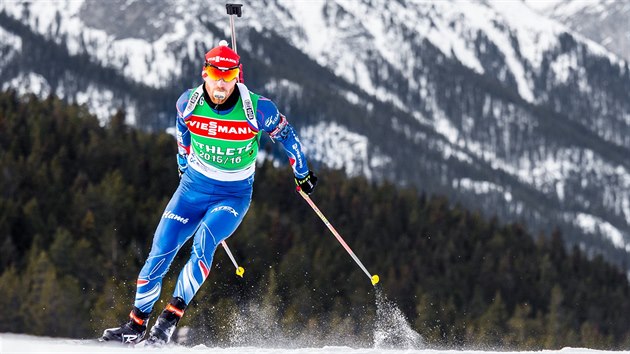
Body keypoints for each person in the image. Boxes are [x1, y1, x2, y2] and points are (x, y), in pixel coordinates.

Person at [101, 40, 317, 345]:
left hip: (232, 196)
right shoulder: (187, 103)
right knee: (159, 251)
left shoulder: (257, 108)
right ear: (205, 73)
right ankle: (135, 326)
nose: (221, 83)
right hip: (192, 189)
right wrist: (181, 164)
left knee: (203, 242)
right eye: (215, 74)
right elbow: (182, 133)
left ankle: (167, 322)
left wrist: (302, 173)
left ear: (237, 77)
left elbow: (287, 135)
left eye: (228, 77)